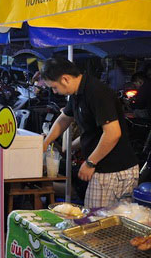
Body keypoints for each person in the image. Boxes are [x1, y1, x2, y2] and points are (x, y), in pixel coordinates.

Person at [41, 58, 139, 208]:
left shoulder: (96, 92)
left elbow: (113, 133)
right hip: (104, 168)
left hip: (113, 170)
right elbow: (64, 119)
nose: (54, 92)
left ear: (65, 79)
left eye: (54, 87)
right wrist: (46, 142)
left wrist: (90, 162)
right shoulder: (77, 93)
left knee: (95, 223)